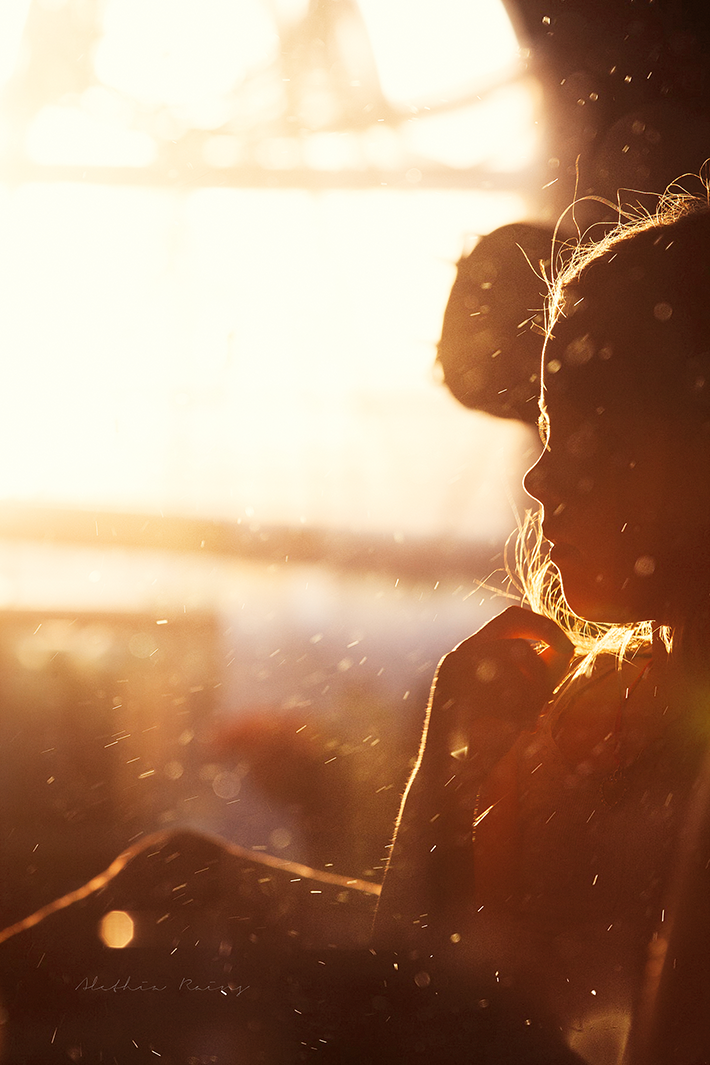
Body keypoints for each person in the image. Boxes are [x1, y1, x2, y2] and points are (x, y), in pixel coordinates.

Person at [373, 192, 710, 1065]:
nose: (539, 480)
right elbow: (418, 986)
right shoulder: (584, 704)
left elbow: (416, 1011)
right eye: (545, 426)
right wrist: (445, 782)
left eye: (588, 431)